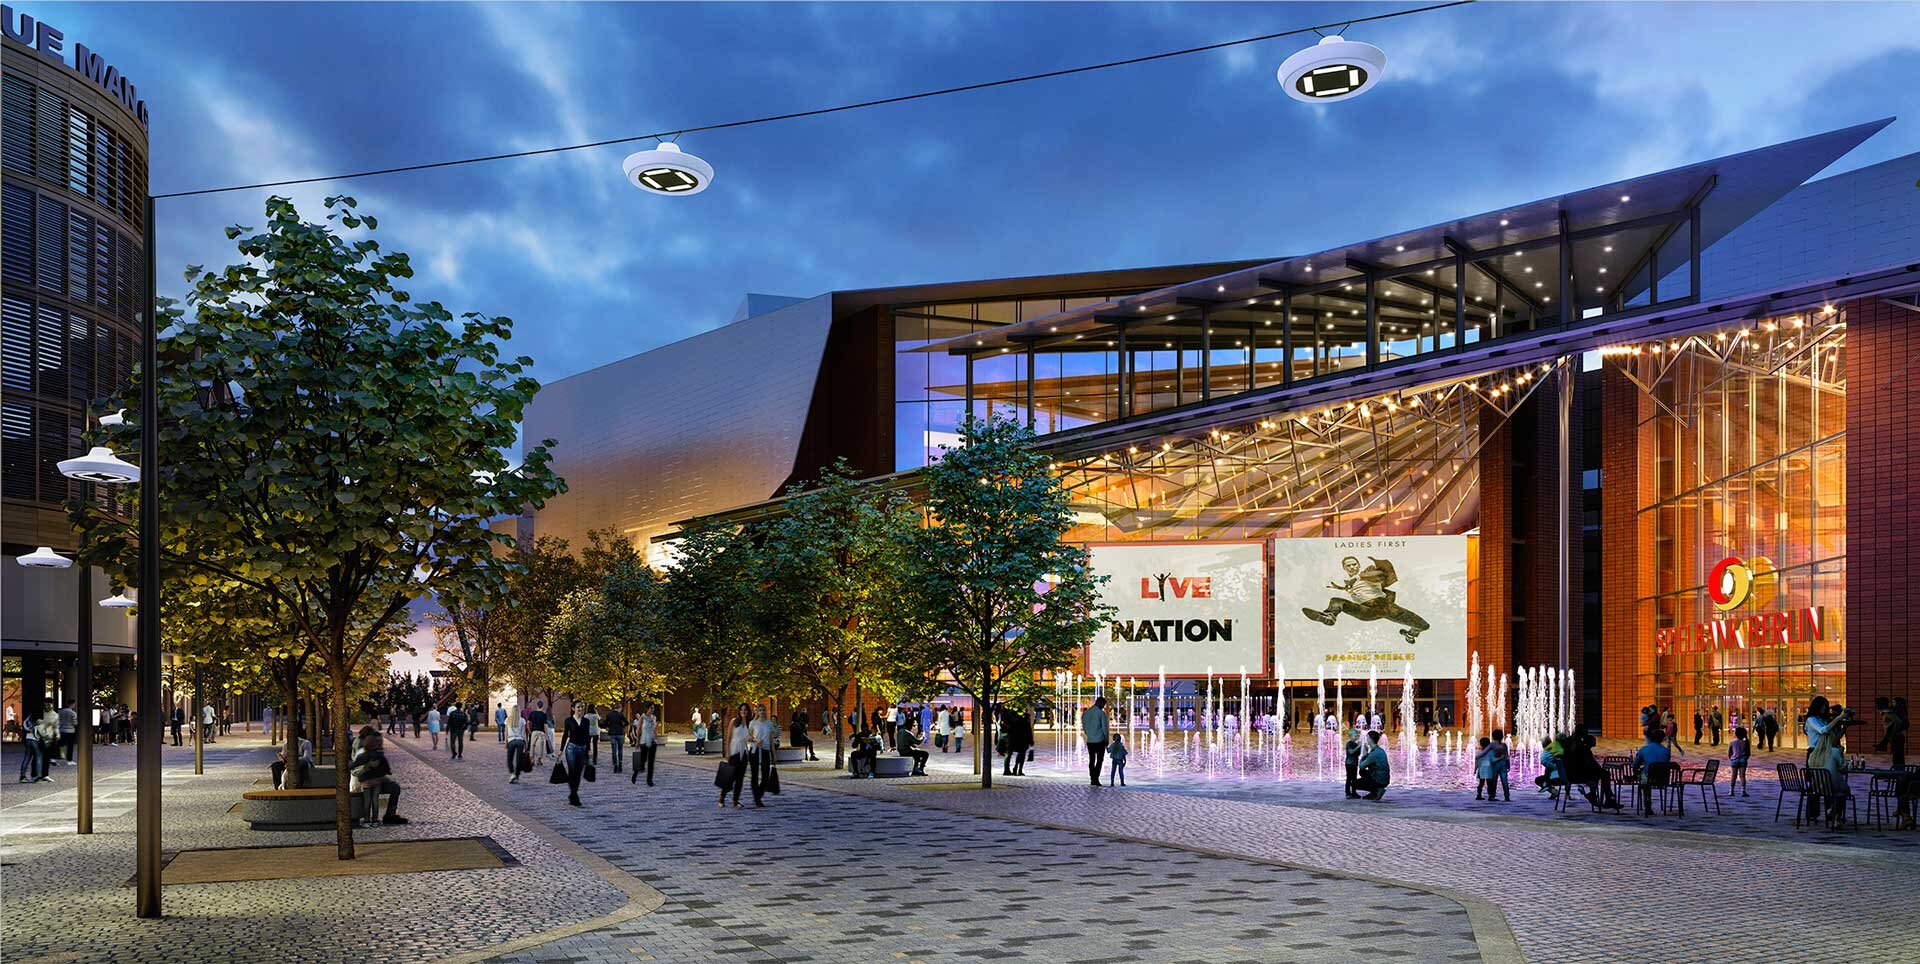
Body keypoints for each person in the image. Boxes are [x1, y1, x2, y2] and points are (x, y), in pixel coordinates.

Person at [350, 731, 406, 825]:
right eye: (379, 741)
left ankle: (370, 819)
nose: (381, 743)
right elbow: (355, 771)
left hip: (367, 781)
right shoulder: (367, 753)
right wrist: (368, 768)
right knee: (375, 798)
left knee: (372, 799)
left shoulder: (366, 753)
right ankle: (378, 818)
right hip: (363, 783)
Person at [1631, 724, 1672, 816]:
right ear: (1662, 739)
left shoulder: (1644, 749)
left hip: (1647, 778)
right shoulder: (1667, 751)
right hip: (1663, 778)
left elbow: (1635, 765)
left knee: (1642, 777)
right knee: (1646, 775)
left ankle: (1647, 805)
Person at [559, 704, 592, 807]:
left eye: (582, 707)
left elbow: (587, 736)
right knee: (572, 771)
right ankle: (574, 795)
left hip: (582, 749)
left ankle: (573, 793)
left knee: (578, 773)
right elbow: (565, 735)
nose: (580, 709)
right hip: (571, 749)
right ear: (573, 709)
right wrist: (561, 749)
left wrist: (589, 749)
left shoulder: (586, 721)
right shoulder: (568, 720)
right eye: (578, 707)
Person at [720, 706, 751, 807]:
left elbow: (749, 738)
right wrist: (727, 752)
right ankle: (722, 798)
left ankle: (735, 800)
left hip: (744, 753)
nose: (743, 712)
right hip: (734, 752)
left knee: (740, 779)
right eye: (742, 710)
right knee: (730, 777)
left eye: (745, 710)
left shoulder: (748, 724)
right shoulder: (734, 721)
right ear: (739, 711)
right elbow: (728, 738)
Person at [748, 704, 779, 805]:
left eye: (763, 710)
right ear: (757, 712)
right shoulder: (753, 723)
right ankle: (757, 799)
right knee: (755, 775)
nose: (761, 712)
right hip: (755, 750)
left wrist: (774, 754)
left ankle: (759, 794)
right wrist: (756, 740)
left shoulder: (769, 724)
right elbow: (748, 737)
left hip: (765, 750)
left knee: (765, 775)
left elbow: (771, 740)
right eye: (759, 710)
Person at [1874, 696, 1908, 769]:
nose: (1876, 706)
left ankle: (1899, 775)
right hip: (1895, 737)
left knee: (1898, 758)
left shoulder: (1889, 713)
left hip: (1897, 737)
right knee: (1897, 757)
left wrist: (1893, 732)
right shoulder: (1886, 713)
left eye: (1878, 704)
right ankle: (1898, 775)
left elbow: (1899, 722)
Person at [1082, 696, 1110, 787]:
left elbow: (1084, 727)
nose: (1104, 706)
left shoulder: (1086, 713)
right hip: (1099, 740)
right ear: (1100, 703)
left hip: (1090, 740)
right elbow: (1104, 728)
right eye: (1103, 704)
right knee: (1099, 760)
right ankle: (1096, 778)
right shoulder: (1101, 713)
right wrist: (1106, 739)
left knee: (1091, 760)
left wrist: (1089, 735)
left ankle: (1092, 778)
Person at [1354, 731, 1390, 800]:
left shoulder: (1374, 754)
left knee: (1354, 783)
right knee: (1362, 772)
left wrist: (1364, 755)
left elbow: (1361, 766)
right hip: (1384, 780)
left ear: (1370, 739)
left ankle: (1377, 790)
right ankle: (1374, 792)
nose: (1366, 739)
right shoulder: (1380, 750)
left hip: (1379, 781)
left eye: (1367, 738)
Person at [632, 703, 658, 786]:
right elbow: (638, 730)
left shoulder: (654, 718)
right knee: (642, 761)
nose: (653, 710)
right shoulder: (642, 718)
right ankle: (635, 773)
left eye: (654, 708)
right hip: (644, 741)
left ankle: (649, 780)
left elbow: (654, 729)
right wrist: (637, 741)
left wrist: (656, 737)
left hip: (652, 741)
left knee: (651, 762)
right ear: (647, 709)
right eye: (651, 708)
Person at [17, 708, 45, 783]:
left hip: (28, 738)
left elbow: (24, 723)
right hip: (35, 740)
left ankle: (22, 777)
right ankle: (38, 777)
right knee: (39, 758)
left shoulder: (30, 717)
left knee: (26, 758)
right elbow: (41, 732)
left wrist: (27, 729)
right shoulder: (40, 720)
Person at [601, 704, 626, 773]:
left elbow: (605, 723)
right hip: (620, 733)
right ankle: (620, 765)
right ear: (619, 708)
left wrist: (609, 726)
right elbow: (627, 722)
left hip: (612, 733)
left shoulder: (609, 715)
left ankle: (615, 766)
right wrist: (622, 725)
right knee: (620, 749)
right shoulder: (621, 715)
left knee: (614, 750)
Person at [1728, 725, 1752, 797]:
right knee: (1742, 776)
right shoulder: (1746, 742)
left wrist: (1731, 758)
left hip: (1734, 759)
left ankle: (1731, 791)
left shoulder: (1732, 742)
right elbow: (1748, 753)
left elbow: (1729, 752)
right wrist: (1745, 758)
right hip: (1743, 760)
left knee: (1733, 775)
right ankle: (1743, 791)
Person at [1490, 728, 1512, 802]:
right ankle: (1507, 796)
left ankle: (1492, 796)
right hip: (1503, 764)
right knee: (1504, 780)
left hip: (1495, 764)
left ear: (1493, 737)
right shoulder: (1504, 745)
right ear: (1502, 737)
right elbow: (1506, 756)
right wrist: (1508, 765)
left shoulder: (1492, 745)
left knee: (1494, 780)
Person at [505, 713, 528, 784]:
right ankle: (517, 775)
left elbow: (506, 732)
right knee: (519, 759)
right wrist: (526, 743)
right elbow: (523, 733)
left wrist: (506, 742)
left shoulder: (508, 720)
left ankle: (512, 773)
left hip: (511, 740)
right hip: (519, 740)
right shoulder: (522, 720)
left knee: (510, 759)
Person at [1473, 737, 1495, 802]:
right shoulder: (1491, 752)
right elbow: (1492, 760)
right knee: (1489, 783)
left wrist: (1475, 769)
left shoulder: (1479, 752)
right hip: (1488, 769)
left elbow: (1477, 762)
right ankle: (1490, 796)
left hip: (1481, 769)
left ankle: (1479, 794)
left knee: (1481, 783)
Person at [1345, 728, 1364, 798]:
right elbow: (1351, 752)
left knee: (1354, 779)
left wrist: (1361, 747)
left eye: (1357, 736)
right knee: (1349, 778)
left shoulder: (1355, 744)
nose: (1357, 737)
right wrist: (1358, 746)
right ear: (1350, 736)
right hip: (1349, 764)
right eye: (1355, 736)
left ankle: (1354, 792)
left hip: (1354, 764)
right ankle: (1347, 793)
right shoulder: (1349, 744)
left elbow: (1358, 754)